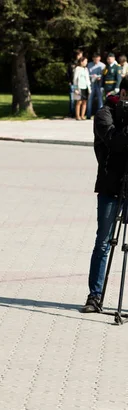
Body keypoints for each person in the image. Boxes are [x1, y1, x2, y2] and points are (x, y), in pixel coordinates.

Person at [81, 77, 128, 313]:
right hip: (111, 187)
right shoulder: (104, 113)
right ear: (123, 93)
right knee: (103, 243)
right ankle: (94, 296)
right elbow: (115, 142)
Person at [87, 53, 105, 119]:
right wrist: (92, 76)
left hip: (99, 84)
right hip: (91, 84)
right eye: (95, 59)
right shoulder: (89, 65)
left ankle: (100, 115)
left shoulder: (103, 65)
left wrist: (99, 77)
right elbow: (87, 74)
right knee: (89, 99)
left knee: (100, 100)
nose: (96, 60)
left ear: (99, 58)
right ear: (93, 59)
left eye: (97, 59)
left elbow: (104, 75)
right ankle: (88, 114)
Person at [67, 49, 83, 118]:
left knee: (79, 98)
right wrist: (69, 81)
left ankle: (79, 113)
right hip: (73, 84)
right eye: (80, 55)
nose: (81, 56)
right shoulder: (71, 64)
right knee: (72, 98)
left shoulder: (82, 64)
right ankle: (71, 113)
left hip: (80, 84)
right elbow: (68, 74)